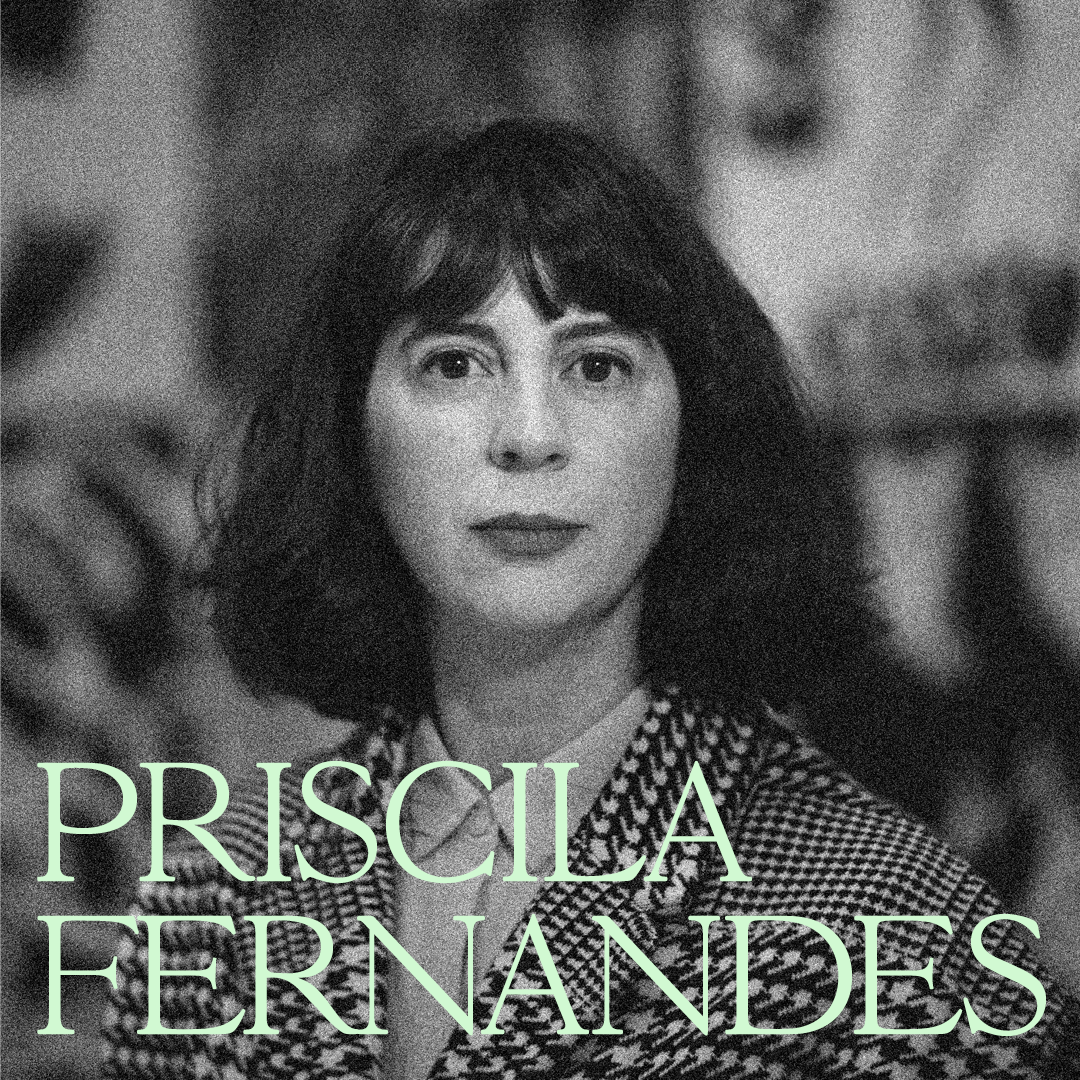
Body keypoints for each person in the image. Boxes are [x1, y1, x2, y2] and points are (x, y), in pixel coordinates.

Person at [102, 119, 1076, 1079]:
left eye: (596, 366)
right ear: (354, 432)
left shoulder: (895, 929)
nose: (529, 436)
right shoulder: (208, 904)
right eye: (454, 364)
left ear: (694, 430)